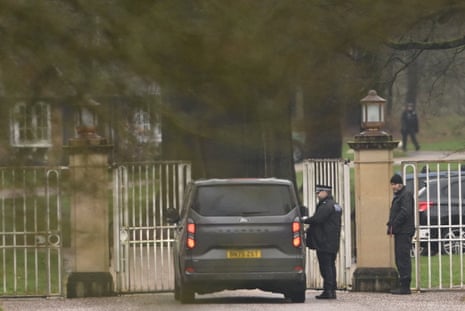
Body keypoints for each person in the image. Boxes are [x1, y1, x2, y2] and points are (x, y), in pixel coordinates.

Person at [304, 185, 342, 299]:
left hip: (324, 241)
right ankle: (331, 290)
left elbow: (317, 219)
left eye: (319, 192)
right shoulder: (335, 205)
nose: (317, 194)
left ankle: (328, 291)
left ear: (326, 192)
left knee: (326, 267)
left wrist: (304, 220)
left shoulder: (326, 205)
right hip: (332, 241)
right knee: (330, 266)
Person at [386, 174, 415, 295]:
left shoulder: (405, 194)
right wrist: (390, 225)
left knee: (403, 258)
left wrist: (394, 224)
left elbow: (405, 212)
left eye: (394, 184)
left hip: (404, 231)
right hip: (400, 231)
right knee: (400, 258)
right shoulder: (400, 195)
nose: (393, 187)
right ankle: (403, 284)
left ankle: (405, 286)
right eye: (392, 185)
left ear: (399, 184)